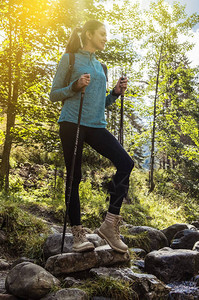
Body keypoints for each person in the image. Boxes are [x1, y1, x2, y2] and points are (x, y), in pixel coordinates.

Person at [49, 20, 133, 253]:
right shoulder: (70, 59)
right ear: (88, 34)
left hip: (96, 125)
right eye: (102, 34)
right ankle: (78, 235)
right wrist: (74, 86)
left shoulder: (101, 67)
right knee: (74, 177)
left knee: (126, 163)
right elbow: (54, 94)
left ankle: (109, 224)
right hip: (72, 123)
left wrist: (115, 93)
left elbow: (100, 103)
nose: (106, 38)